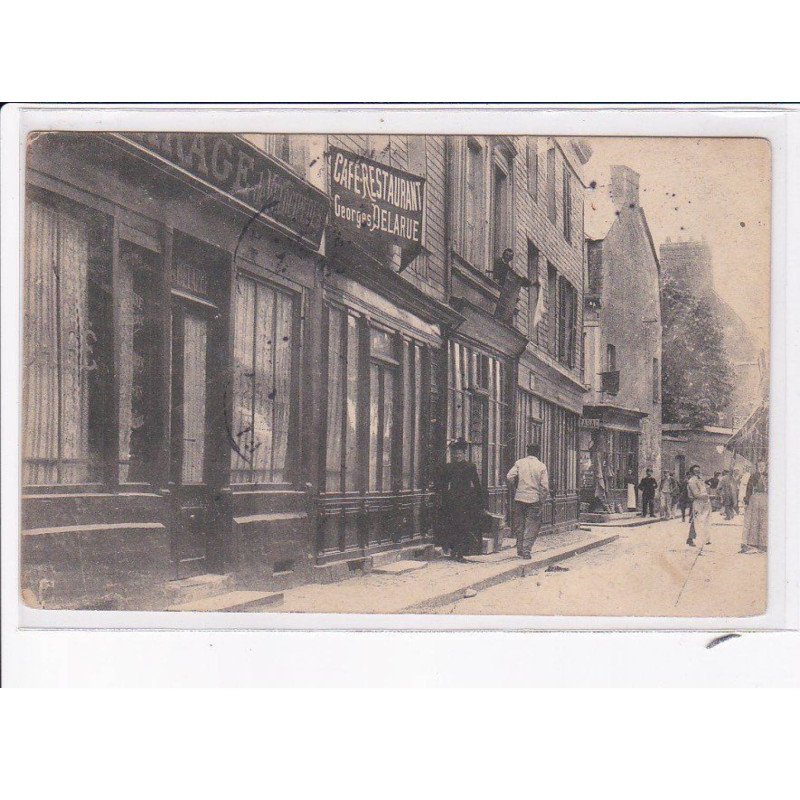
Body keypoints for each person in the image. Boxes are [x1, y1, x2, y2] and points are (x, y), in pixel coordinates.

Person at [437, 438, 486, 562]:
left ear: (464, 454)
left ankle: (460, 553)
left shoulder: (470, 466)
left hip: (466, 500)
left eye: (459, 453)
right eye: (455, 454)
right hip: (452, 500)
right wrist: (443, 497)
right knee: (453, 526)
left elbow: (476, 483)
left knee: (464, 527)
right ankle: (453, 551)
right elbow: (443, 483)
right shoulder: (449, 467)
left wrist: (480, 500)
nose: (457, 456)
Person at [507, 443, 550, 560]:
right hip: (534, 499)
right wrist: (542, 500)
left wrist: (516, 487)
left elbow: (509, 476)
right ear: (538, 453)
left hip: (519, 498)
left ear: (527, 452)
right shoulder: (541, 466)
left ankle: (520, 549)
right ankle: (526, 550)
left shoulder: (519, 463)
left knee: (519, 525)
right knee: (532, 526)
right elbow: (545, 487)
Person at [741, 460, 768, 553]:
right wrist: (747, 500)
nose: (761, 468)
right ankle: (753, 543)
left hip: (766, 499)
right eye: (759, 466)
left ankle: (764, 544)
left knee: (764, 521)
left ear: (765, 467)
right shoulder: (753, 476)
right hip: (755, 499)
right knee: (754, 520)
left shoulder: (769, 476)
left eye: (763, 466)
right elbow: (749, 488)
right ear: (757, 467)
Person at [686, 464, 712, 547]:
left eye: (698, 470)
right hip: (698, 502)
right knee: (697, 520)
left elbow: (704, 490)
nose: (698, 472)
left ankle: (701, 538)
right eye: (695, 471)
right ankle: (692, 539)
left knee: (704, 520)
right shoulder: (692, 481)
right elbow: (696, 494)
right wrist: (709, 496)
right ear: (692, 472)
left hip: (705, 502)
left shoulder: (700, 479)